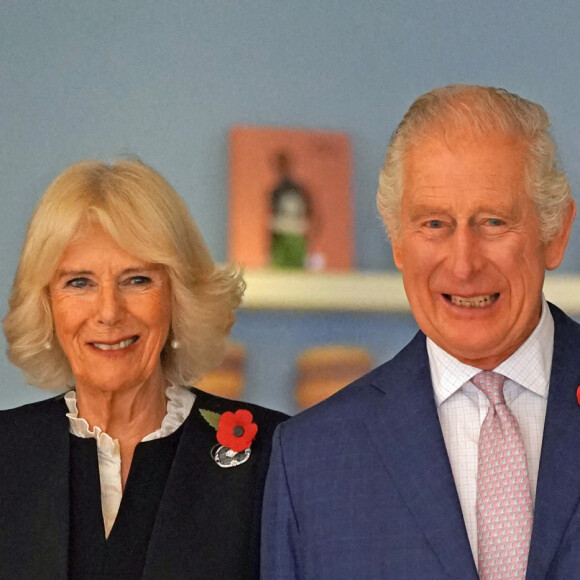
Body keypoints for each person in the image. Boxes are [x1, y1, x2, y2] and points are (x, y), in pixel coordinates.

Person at [261, 84, 579, 579]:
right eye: (434, 224)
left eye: (493, 221)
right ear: (397, 242)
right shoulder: (310, 460)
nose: (464, 263)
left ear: (555, 234)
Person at [0, 158, 287, 579]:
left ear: (178, 297)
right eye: (79, 282)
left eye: (137, 280)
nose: (109, 312)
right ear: (46, 304)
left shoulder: (273, 456)